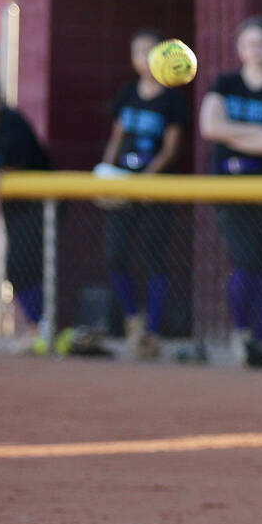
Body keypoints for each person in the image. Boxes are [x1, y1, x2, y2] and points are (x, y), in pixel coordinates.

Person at [199, 15, 262, 368]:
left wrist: (232, 131)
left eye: (261, 43)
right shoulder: (225, 83)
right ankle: (241, 334)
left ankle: (261, 339)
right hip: (229, 187)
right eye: (248, 44)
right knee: (245, 258)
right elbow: (209, 127)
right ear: (239, 49)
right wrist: (257, 134)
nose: (254, 50)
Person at [98, 27, 189, 359]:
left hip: (154, 189)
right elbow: (116, 138)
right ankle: (132, 320)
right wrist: (106, 175)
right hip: (123, 186)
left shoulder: (172, 97)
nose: (144, 58)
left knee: (155, 256)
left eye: (151, 51)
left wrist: (145, 181)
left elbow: (171, 148)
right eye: (139, 52)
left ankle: (152, 329)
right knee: (116, 253)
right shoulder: (127, 93)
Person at [0, 76, 54, 353]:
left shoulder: (12, 124)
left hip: (42, 203)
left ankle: (42, 328)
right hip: (14, 207)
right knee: (16, 268)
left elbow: (20, 166)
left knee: (23, 265)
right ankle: (39, 327)